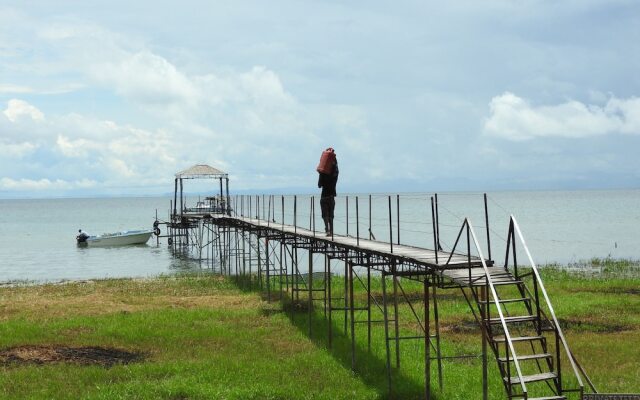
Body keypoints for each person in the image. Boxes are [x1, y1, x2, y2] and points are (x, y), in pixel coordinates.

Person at [318, 156, 339, 236]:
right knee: (331, 215)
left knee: (325, 215)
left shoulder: (323, 173)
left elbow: (319, 185)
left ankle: (327, 230)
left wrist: (321, 175)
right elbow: (336, 170)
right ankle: (332, 231)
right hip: (332, 197)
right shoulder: (335, 174)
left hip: (324, 196)